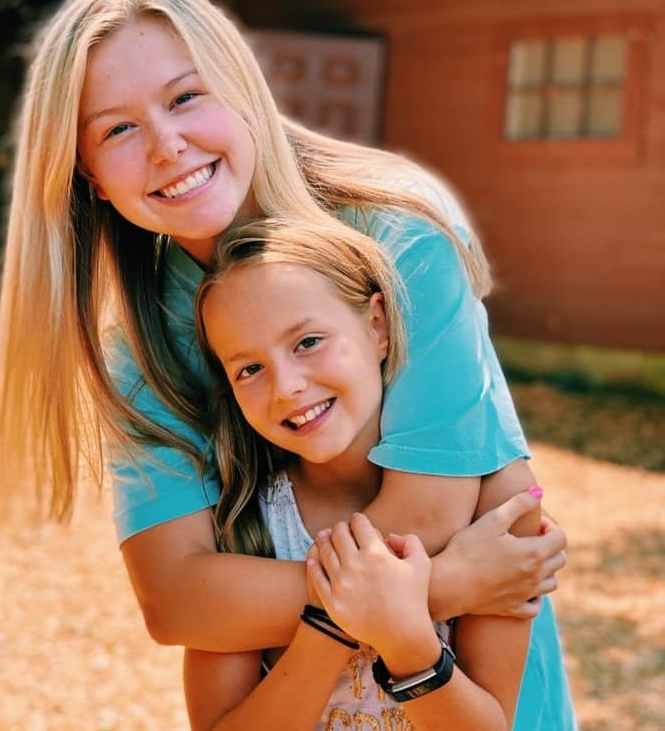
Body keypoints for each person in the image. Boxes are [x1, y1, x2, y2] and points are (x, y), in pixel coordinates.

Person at [0, 1, 576, 728]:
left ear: (240, 85)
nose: (168, 146)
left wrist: (262, 597)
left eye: (186, 96)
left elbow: (428, 514)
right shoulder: (140, 350)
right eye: (118, 129)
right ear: (90, 176)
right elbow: (178, 601)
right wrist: (451, 582)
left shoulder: (401, 238)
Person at [184, 218, 540, 730]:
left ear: (377, 326)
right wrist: (344, 619)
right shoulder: (242, 521)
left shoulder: (495, 509)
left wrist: (407, 643)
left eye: (308, 341)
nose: (286, 387)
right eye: (250, 369)